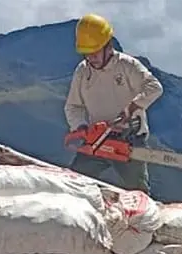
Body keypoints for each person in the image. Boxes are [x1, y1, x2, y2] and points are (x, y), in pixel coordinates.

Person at [64, 14, 163, 193]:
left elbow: (154, 87)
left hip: (130, 141)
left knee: (138, 192)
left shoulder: (127, 65)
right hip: (97, 140)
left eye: (94, 52)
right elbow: (73, 106)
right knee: (75, 183)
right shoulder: (82, 71)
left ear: (107, 46)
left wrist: (133, 107)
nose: (90, 57)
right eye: (87, 53)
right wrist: (80, 127)